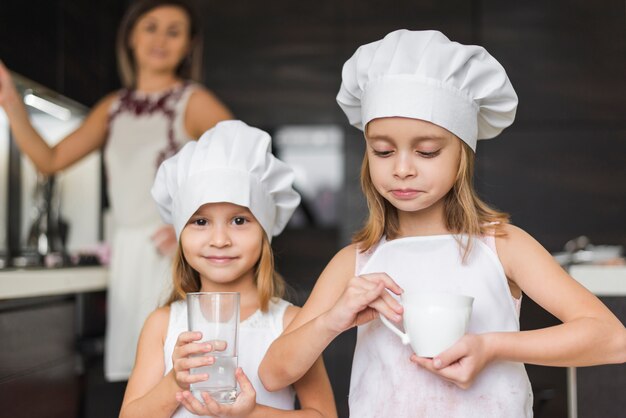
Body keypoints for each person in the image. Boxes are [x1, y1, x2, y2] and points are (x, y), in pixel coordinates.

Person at [258, 30, 626, 417]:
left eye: (427, 151)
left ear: (461, 156)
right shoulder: (355, 262)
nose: (402, 169)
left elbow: (612, 338)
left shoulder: (502, 245)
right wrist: (333, 320)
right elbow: (273, 373)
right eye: (383, 151)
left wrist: (491, 347)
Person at [0, 0, 233, 381]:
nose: (160, 39)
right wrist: (10, 101)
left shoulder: (193, 102)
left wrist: (193, 225)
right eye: (151, 27)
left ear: (189, 45)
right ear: (131, 37)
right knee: (141, 380)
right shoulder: (112, 108)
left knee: (181, 375)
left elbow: (245, 164)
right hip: (127, 255)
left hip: (172, 260)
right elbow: (51, 158)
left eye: (174, 31)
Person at [119, 120, 337, 418]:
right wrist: (175, 381)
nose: (220, 240)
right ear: (180, 233)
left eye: (238, 221)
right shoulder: (162, 325)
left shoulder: (290, 323)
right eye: (200, 222)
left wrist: (251, 413)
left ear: (264, 231)